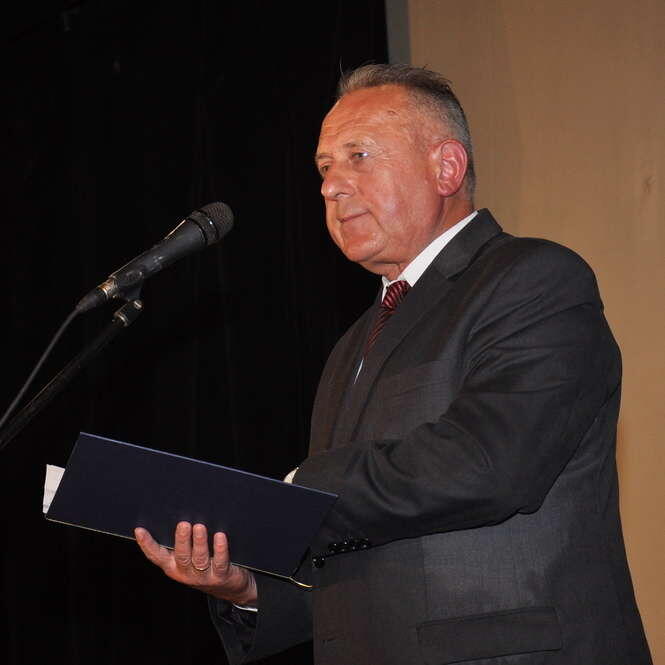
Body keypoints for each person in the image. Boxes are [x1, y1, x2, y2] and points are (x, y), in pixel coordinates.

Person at [135, 64, 653, 665]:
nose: (331, 187)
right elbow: (362, 556)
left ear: (446, 168)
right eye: (324, 168)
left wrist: (299, 492)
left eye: (358, 157)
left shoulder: (533, 280)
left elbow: (488, 463)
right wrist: (248, 589)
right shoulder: (351, 346)